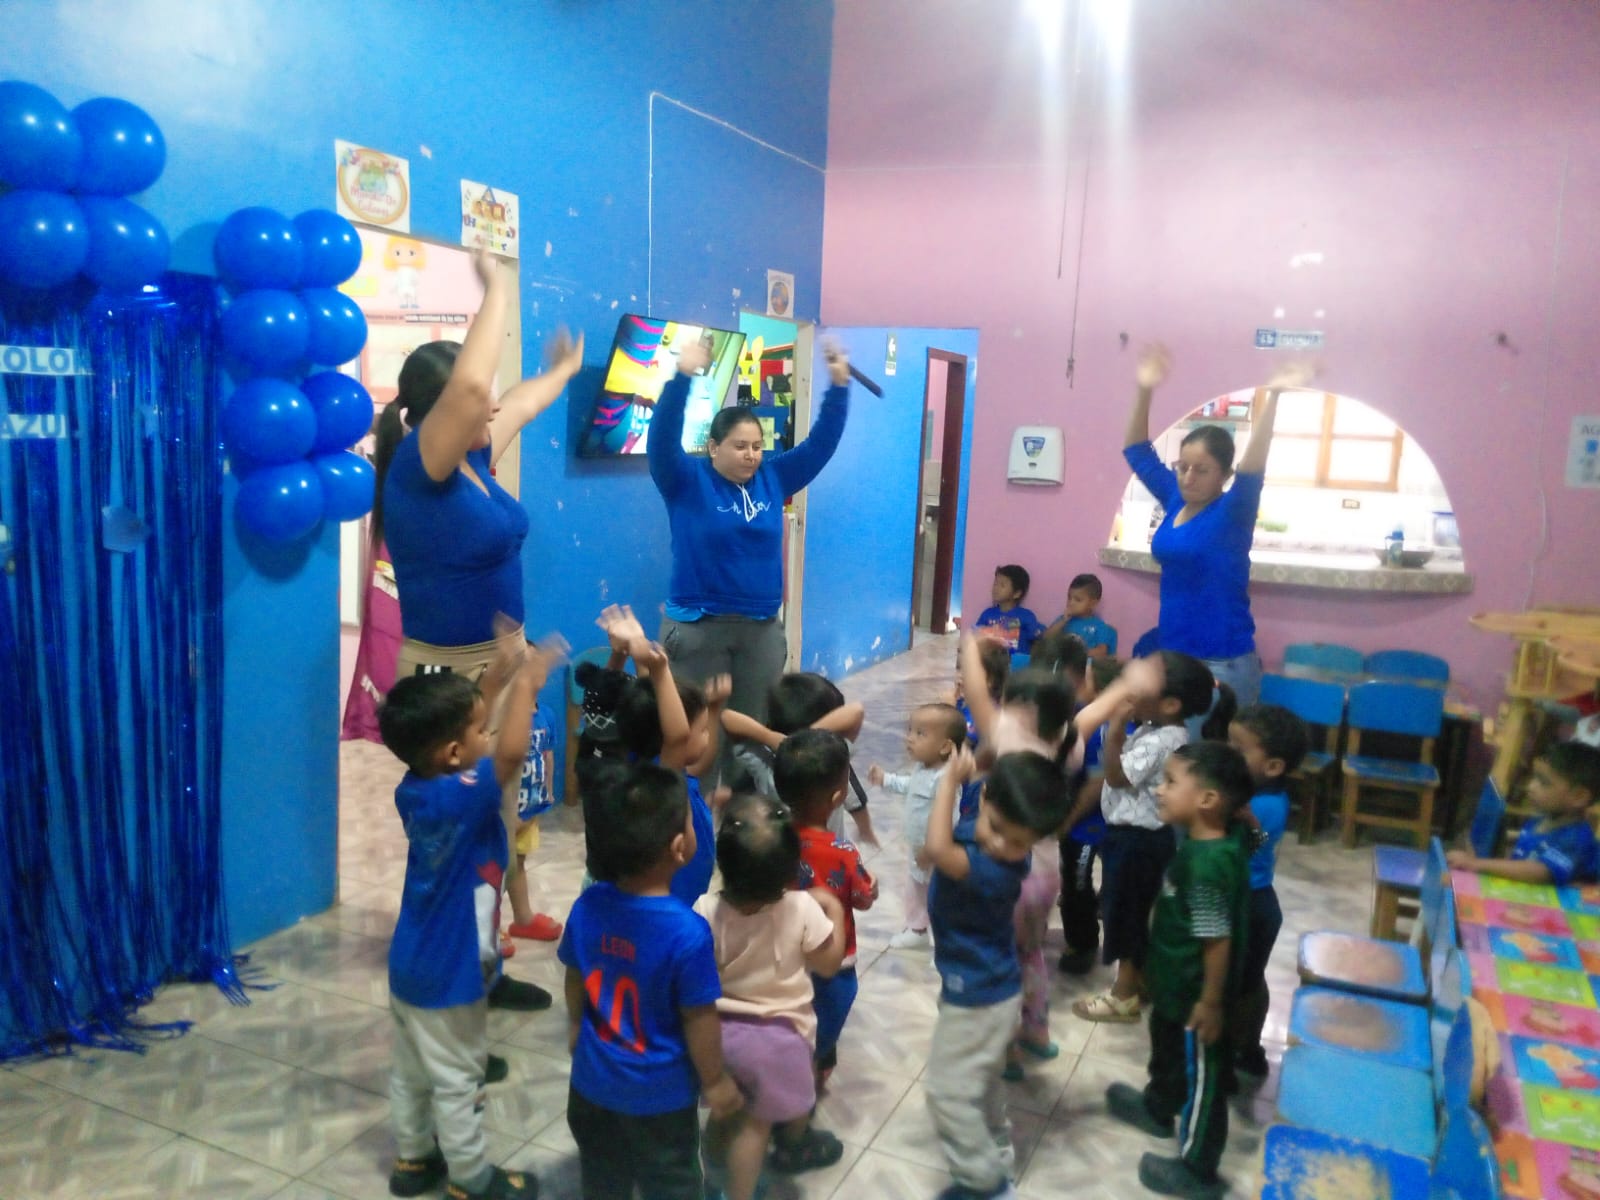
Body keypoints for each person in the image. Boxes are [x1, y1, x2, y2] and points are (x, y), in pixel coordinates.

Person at [374, 249, 584, 1008]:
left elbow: (515, 401)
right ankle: (460, 968)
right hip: (449, 676)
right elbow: (471, 387)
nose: (489, 408)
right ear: (436, 415)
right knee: (461, 829)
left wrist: (562, 372)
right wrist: (500, 288)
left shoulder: (470, 459)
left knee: (498, 818)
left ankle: (489, 950)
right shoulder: (419, 469)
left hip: (495, 665)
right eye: (475, 403)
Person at [377, 632, 560, 1200]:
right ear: (454, 754)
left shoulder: (418, 788)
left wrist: (495, 682)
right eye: (481, 730)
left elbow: (472, 739)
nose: (489, 735)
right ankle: (471, 1180)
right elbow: (509, 757)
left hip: (411, 964)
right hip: (450, 973)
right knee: (460, 1080)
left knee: (411, 1072)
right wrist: (526, 686)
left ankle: (413, 1161)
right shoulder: (465, 793)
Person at [650, 336, 854, 763]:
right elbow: (662, 437)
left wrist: (839, 387)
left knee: (755, 735)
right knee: (696, 734)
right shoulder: (685, 480)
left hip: (760, 630)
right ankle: (697, 803)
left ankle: (747, 804)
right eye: (740, 446)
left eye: (757, 447)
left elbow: (819, 446)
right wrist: (682, 376)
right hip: (698, 627)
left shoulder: (773, 477)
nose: (751, 456)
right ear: (713, 447)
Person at [559, 759, 743, 1200]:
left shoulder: (587, 906)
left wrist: (575, 1024)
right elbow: (699, 1019)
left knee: (603, 1182)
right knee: (672, 1185)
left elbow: (575, 973)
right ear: (679, 847)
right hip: (661, 1101)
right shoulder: (687, 932)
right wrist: (715, 1080)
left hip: (590, 1089)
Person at [1121, 346, 1312, 716]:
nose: (1188, 477)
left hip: (1222, 663)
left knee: (1207, 752)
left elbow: (1252, 469)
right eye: (1183, 466)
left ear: (1224, 475)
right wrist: (1144, 387)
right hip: (1175, 657)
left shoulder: (1233, 512)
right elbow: (1136, 451)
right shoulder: (1175, 497)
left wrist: (1273, 397)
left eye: (1202, 470)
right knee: (1175, 747)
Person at [922, 749, 1072, 1200]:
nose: (1002, 845)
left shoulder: (993, 868)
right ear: (985, 798)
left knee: (947, 1092)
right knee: (982, 1083)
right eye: (997, 828)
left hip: (978, 998)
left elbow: (938, 850)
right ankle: (998, 1156)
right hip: (990, 988)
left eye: (1019, 842)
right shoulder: (987, 818)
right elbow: (973, 812)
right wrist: (973, 770)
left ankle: (983, 1182)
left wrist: (949, 781)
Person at [1105, 741, 1252, 1200]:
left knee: (1203, 1079)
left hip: (1196, 997)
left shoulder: (1207, 865)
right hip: (1174, 985)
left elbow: (1216, 940)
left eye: (1170, 782)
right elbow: (1251, 832)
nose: (1159, 790)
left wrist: (1210, 1002)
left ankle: (1198, 1168)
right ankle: (1158, 1106)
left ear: (1207, 799)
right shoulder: (1210, 841)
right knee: (1166, 1050)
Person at [694, 794, 849, 1200]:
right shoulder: (802, 907)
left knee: (725, 1112)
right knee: (755, 1127)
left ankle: (712, 1179)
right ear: (789, 870)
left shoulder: (704, 909)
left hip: (716, 1036)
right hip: (778, 1041)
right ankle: (741, 1193)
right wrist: (834, 911)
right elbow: (829, 964)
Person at [1071, 652, 1218, 1024]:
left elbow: (1118, 777)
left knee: (1126, 916)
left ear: (1170, 704)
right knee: (1132, 910)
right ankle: (1140, 981)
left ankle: (1123, 996)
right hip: (1137, 839)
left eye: (1142, 689)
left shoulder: (1163, 739)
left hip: (1137, 842)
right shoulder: (1157, 729)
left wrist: (1116, 728)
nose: (1131, 694)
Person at [777, 730, 878, 1103]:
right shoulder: (842, 851)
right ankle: (815, 1068)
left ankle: (795, 1060)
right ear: (838, 797)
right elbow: (862, 899)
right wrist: (871, 889)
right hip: (833, 951)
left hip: (786, 949)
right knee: (832, 1003)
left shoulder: (774, 838)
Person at [604, 603, 727, 907]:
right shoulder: (661, 779)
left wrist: (635, 651)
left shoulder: (649, 760)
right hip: (673, 896)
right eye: (702, 730)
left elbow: (698, 760)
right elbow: (677, 736)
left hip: (681, 890)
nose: (705, 735)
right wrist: (659, 669)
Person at [1225, 704, 1308, 1078]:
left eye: (1239, 749)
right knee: (1246, 979)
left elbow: (1243, 848)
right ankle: (1245, 1048)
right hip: (1252, 900)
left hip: (1250, 904)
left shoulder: (1264, 805)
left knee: (1242, 983)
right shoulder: (1257, 796)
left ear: (1273, 766)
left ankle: (1240, 1051)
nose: (1229, 753)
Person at [723, 671, 877, 845]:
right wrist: (806, 740)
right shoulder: (829, 757)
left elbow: (727, 718)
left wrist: (772, 738)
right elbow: (856, 711)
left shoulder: (767, 768)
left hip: (786, 858)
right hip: (833, 854)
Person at [868, 702, 967, 950]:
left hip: (936, 853)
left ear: (945, 746)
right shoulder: (923, 768)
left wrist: (930, 851)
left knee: (940, 897)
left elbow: (950, 819)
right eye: (910, 730)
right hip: (917, 848)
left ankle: (944, 943)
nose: (910, 738)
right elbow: (909, 785)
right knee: (914, 889)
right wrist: (885, 779)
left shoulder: (946, 778)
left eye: (920, 734)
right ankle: (917, 929)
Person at [1448, 742, 1600, 885]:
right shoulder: (1541, 820)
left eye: (1544, 783)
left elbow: (1540, 871)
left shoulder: (1576, 837)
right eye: (1535, 778)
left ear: (1579, 797)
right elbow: (1525, 851)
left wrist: (1476, 864)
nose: (1530, 786)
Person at [504, 697, 559, 942]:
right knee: (495, 869)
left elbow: (548, 755)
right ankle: (486, 929)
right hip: (506, 812)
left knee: (517, 862)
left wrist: (547, 792)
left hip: (531, 807)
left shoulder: (545, 714)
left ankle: (523, 919)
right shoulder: (504, 716)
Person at [972, 565, 1046, 657]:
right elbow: (975, 635)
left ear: (1016, 593)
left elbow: (1038, 637)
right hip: (993, 662)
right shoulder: (987, 614)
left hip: (1018, 663)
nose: (996, 588)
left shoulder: (1026, 616)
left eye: (1002, 585)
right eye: (995, 584)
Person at [1044, 573, 1118, 659]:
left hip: (1083, 664)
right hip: (1061, 663)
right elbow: (1045, 639)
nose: (1071, 603)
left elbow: (1101, 652)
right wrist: (1063, 621)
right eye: (1069, 598)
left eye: (1078, 600)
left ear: (1093, 603)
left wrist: (1078, 654)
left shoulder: (1100, 626)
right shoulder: (1063, 619)